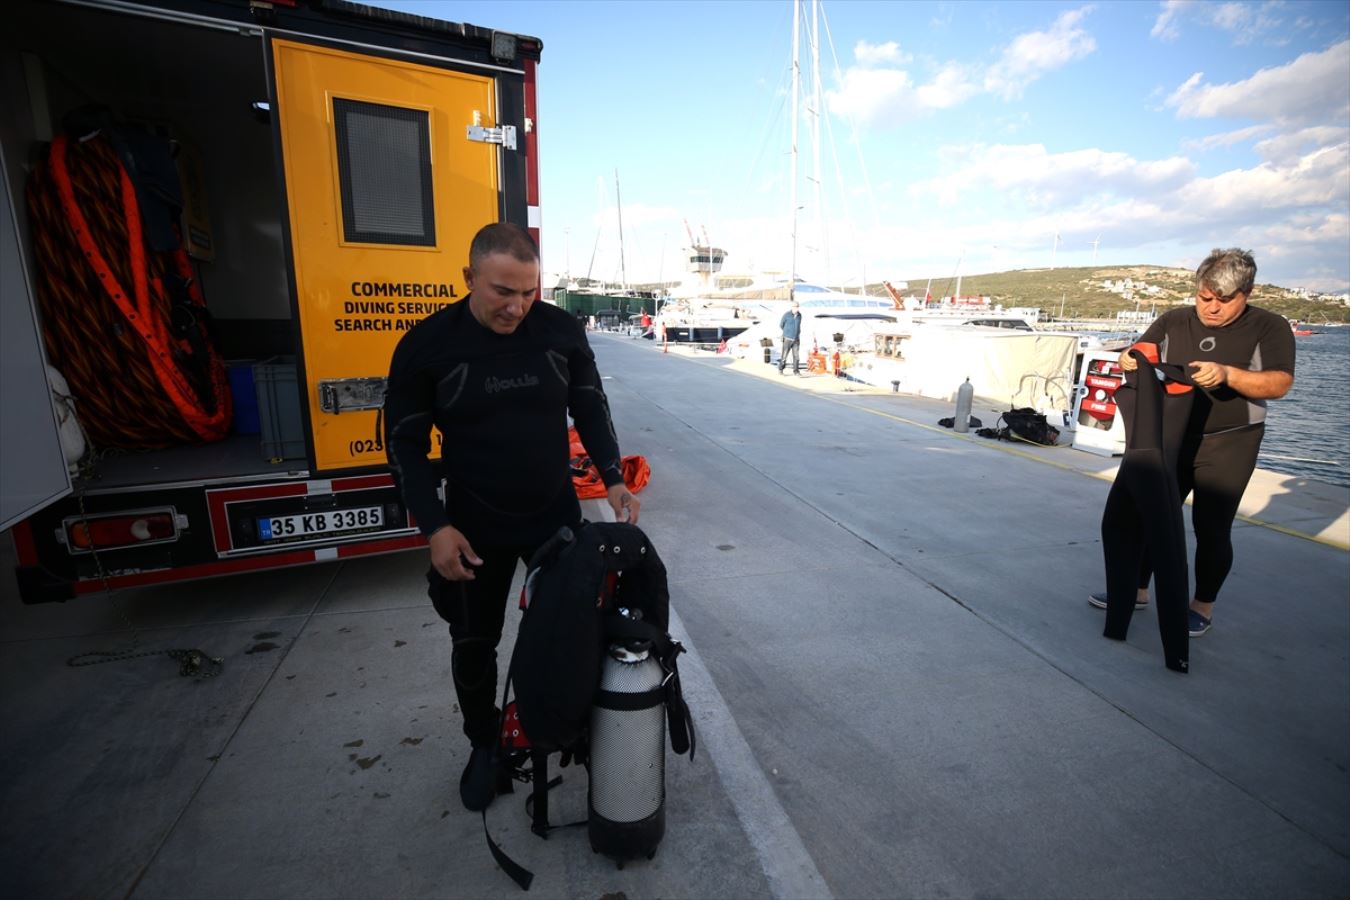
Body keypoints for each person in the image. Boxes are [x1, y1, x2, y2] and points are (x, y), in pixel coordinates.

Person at [383, 222, 640, 812]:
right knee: (474, 640)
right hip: (475, 523)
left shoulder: (560, 330)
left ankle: (571, 728)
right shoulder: (427, 346)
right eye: (502, 291)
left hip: (553, 513)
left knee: (575, 629)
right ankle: (484, 744)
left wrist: (615, 477)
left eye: (528, 292)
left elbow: (589, 405)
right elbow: (404, 447)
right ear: (468, 278)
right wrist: (434, 528)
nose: (517, 306)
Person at [1089, 248, 1295, 638]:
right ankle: (1137, 590)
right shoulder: (1175, 320)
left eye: (1223, 300)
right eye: (1205, 298)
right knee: (1153, 514)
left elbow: (1280, 382)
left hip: (1231, 441)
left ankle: (1201, 605)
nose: (1211, 308)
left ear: (1246, 294)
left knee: (1212, 527)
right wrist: (1131, 358)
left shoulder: (1269, 326)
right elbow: (1141, 351)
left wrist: (1228, 375)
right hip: (1173, 435)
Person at [779, 300, 802, 375]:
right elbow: (781, 325)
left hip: (796, 339)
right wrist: (787, 332)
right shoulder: (787, 315)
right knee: (784, 355)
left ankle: (796, 371)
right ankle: (781, 369)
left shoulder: (799, 315)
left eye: (797, 307)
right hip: (787, 339)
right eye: (795, 307)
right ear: (792, 307)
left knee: (796, 356)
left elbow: (798, 326)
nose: (796, 308)